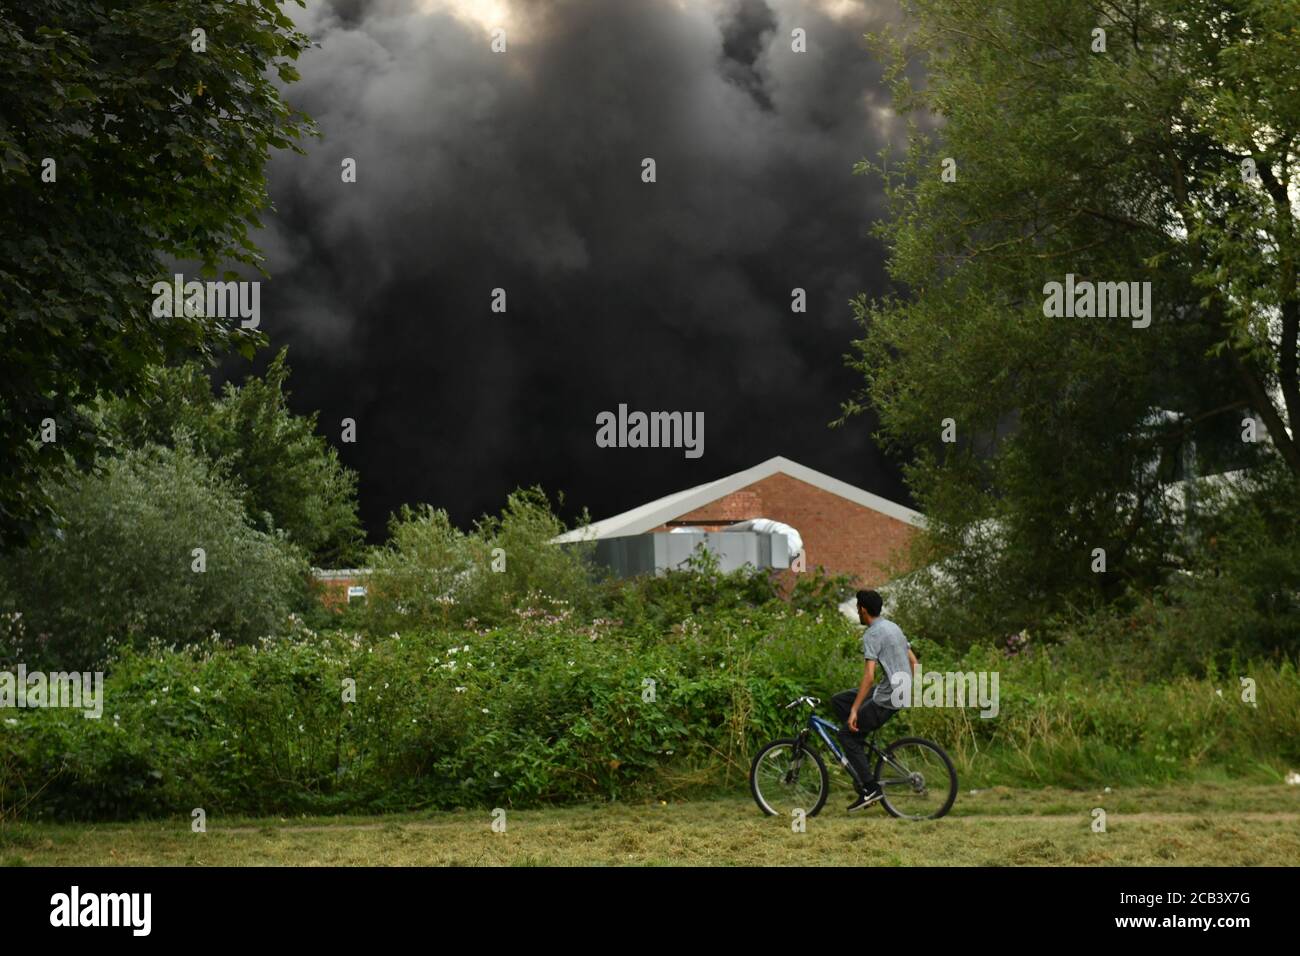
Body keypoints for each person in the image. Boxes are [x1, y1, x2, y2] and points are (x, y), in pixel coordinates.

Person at [833, 589, 918, 812]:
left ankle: (871, 788)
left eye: (858, 608)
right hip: (895, 691)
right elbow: (914, 662)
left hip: (887, 697)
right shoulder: (893, 627)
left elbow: (869, 677)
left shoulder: (872, 634)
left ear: (862, 609)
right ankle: (859, 744)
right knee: (839, 700)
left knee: (845, 735)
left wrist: (855, 711)